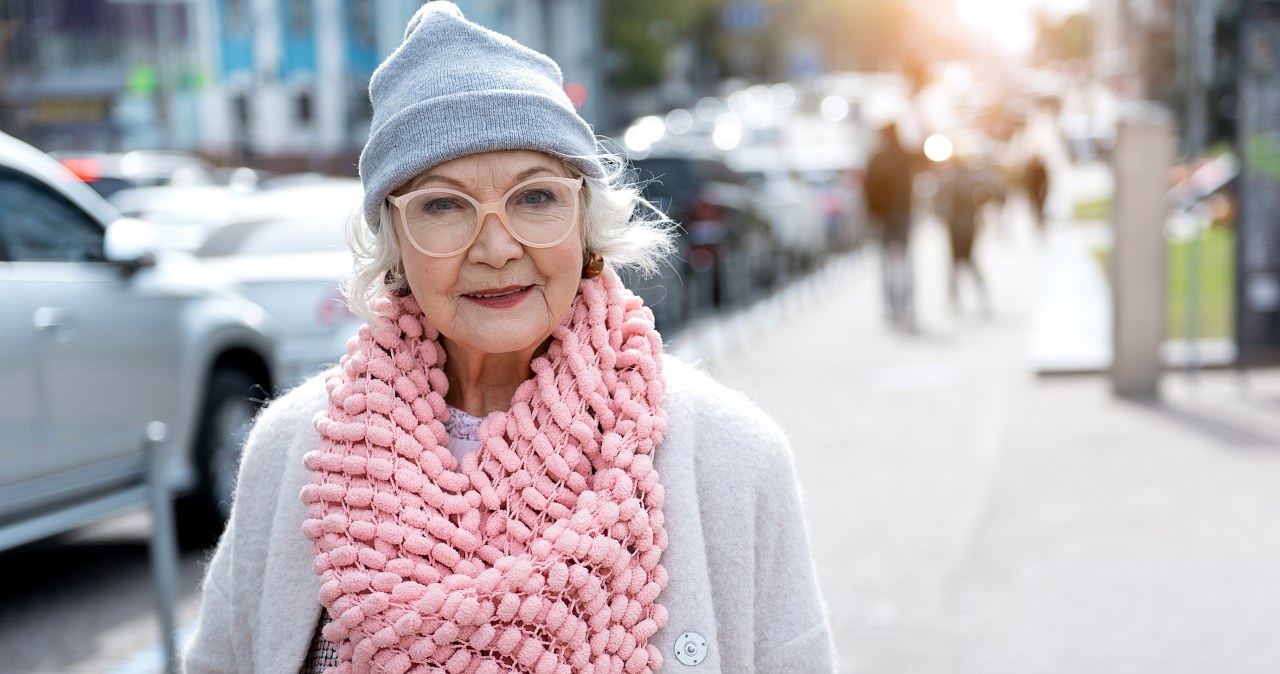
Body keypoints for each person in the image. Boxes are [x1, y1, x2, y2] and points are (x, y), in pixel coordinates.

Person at [182, 4, 836, 674]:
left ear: (586, 219)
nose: (496, 247)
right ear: (395, 244)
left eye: (535, 198)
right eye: (442, 206)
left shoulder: (733, 458)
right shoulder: (292, 454)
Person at [864, 122, 916, 331]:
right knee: (904, 262)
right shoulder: (905, 154)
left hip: (885, 218)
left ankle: (890, 308)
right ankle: (907, 306)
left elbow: (869, 188)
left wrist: (872, 213)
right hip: (902, 216)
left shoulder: (877, 157)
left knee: (887, 263)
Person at [935, 156, 994, 315]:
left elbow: (938, 204)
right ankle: (979, 295)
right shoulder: (973, 180)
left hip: (955, 227)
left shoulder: (949, 180)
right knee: (970, 261)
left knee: (956, 263)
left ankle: (955, 297)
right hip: (968, 226)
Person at [1023, 153, 1049, 231]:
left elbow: (1045, 181)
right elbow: (1028, 183)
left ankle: (1041, 219)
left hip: (1040, 191)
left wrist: (1044, 190)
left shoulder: (1041, 169)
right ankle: (1037, 219)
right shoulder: (1029, 170)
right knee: (1035, 205)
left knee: (1040, 205)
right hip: (1033, 191)